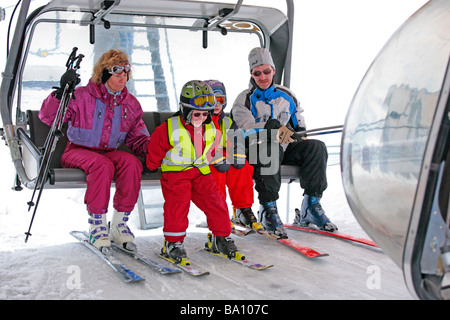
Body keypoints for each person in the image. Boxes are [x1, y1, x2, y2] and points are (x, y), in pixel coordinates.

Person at [39, 49, 150, 251]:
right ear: (104, 73)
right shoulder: (81, 97)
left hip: (107, 152)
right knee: (102, 165)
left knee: (131, 163)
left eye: (126, 72)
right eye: (117, 72)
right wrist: (60, 94)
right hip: (78, 150)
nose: (123, 76)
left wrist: (154, 148)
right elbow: (49, 117)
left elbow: (138, 138)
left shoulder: (130, 104)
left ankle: (119, 223)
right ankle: (97, 224)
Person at [231, 47, 337, 238]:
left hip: (284, 148)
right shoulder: (243, 100)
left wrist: (298, 135)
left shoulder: (286, 95)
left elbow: (299, 124)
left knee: (316, 147)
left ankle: (311, 205)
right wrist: (273, 128)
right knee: (270, 148)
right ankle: (268, 209)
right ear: (251, 75)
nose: (263, 77)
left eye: (266, 71)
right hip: (256, 150)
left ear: (273, 70)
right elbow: (245, 128)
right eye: (257, 73)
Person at [145, 80, 240, 264]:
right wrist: (150, 166)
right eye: (197, 114)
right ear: (185, 110)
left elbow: (212, 149)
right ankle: (173, 243)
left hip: (200, 172)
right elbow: (156, 148)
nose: (201, 117)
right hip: (176, 174)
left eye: (205, 114)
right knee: (177, 205)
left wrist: (218, 159)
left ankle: (221, 238)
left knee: (216, 201)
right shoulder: (170, 127)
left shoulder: (211, 127)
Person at [204, 80, 261, 230]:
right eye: (213, 100)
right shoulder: (200, 119)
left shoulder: (228, 121)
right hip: (205, 157)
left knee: (243, 168)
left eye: (221, 100)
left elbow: (237, 139)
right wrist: (214, 156)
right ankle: (219, 211)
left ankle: (243, 208)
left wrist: (237, 154)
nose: (217, 104)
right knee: (217, 173)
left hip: (224, 154)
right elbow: (198, 142)